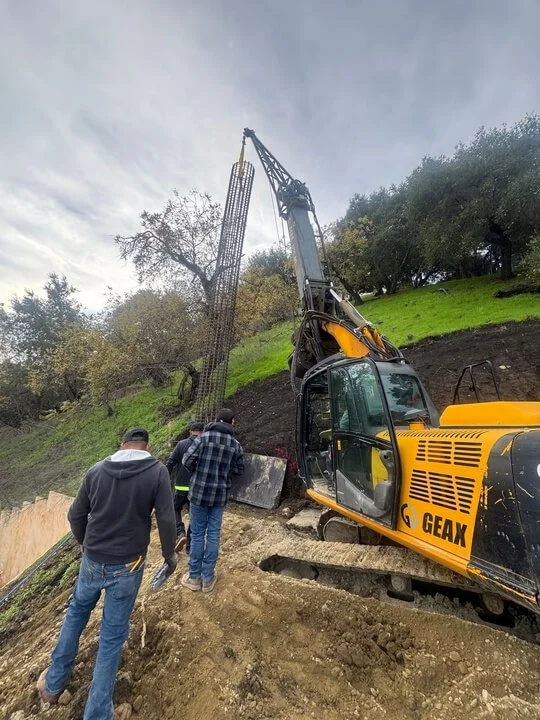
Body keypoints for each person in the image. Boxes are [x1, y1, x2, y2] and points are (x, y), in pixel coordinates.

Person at [37, 427, 178, 720]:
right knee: (112, 636)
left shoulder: (96, 471)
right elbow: (166, 518)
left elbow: (75, 515)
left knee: (76, 613)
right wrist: (169, 555)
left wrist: (87, 544)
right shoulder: (157, 472)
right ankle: (98, 713)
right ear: (146, 446)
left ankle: (52, 685)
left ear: (121, 443)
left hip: (92, 558)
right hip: (129, 564)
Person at [180, 408, 244, 593]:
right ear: (232, 423)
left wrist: (197, 472)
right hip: (219, 495)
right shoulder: (235, 445)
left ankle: (194, 577)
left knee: (198, 534)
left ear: (216, 420)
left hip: (199, 494)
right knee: (214, 534)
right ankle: (208, 579)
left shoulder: (203, 438)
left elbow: (187, 460)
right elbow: (240, 470)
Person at [165, 421, 204, 553]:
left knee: (175, 509)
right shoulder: (204, 445)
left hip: (181, 485)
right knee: (194, 514)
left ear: (190, 432)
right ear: (202, 433)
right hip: (196, 488)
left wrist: (164, 479)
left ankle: (180, 533)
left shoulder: (181, 444)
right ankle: (190, 547)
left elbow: (171, 462)